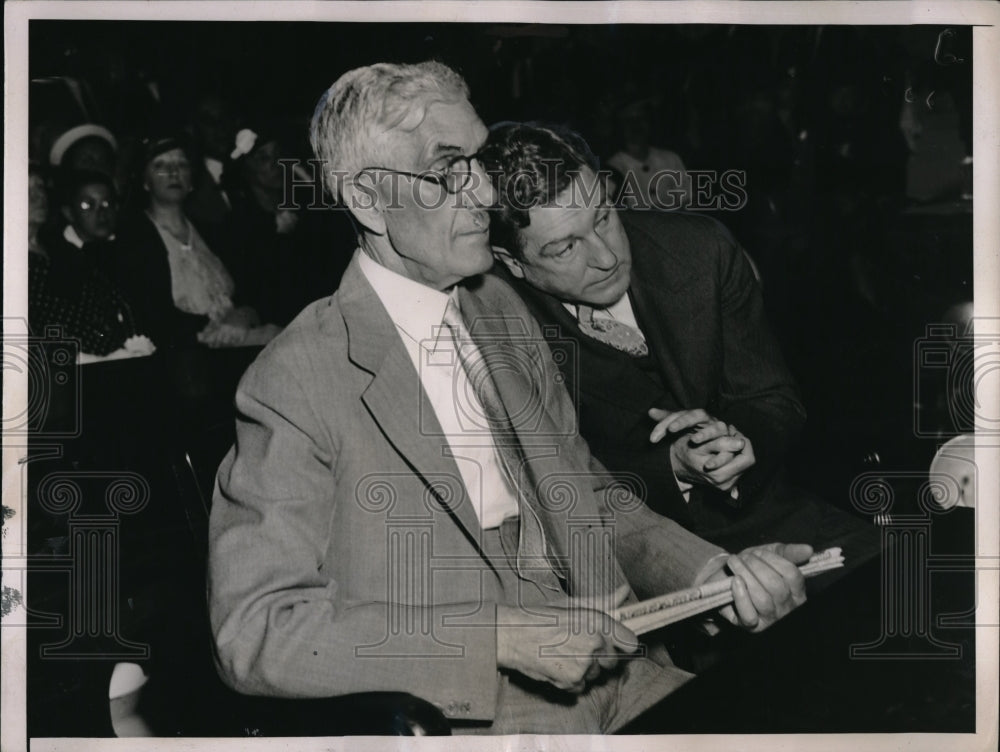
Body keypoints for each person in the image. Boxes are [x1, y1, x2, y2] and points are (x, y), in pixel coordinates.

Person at [208, 61, 812, 735]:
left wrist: (710, 575)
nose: (484, 196)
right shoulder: (294, 378)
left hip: (621, 665)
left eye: (480, 162)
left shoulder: (496, 307)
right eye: (447, 171)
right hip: (478, 713)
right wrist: (495, 637)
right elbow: (256, 630)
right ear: (368, 200)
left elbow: (584, 493)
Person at [481, 121, 880, 558]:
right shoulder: (494, 321)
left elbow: (772, 397)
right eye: (566, 248)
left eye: (604, 217)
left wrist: (738, 444)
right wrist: (670, 467)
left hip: (768, 515)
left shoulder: (700, 250)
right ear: (511, 262)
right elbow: (553, 484)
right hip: (622, 557)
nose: (608, 256)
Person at [112, 135, 280, 350]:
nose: (173, 172)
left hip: (243, 341)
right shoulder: (134, 240)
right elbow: (152, 314)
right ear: (145, 181)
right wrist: (219, 327)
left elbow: (253, 289)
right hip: (187, 355)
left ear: (191, 179)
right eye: (160, 165)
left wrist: (244, 314)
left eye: (181, 164)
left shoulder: (215, 232)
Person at [28, 165, 154, 363]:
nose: (38, 197)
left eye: (40, 187)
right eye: (26, 190)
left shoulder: (59, 249)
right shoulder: (15, 263)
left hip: (111, 358)